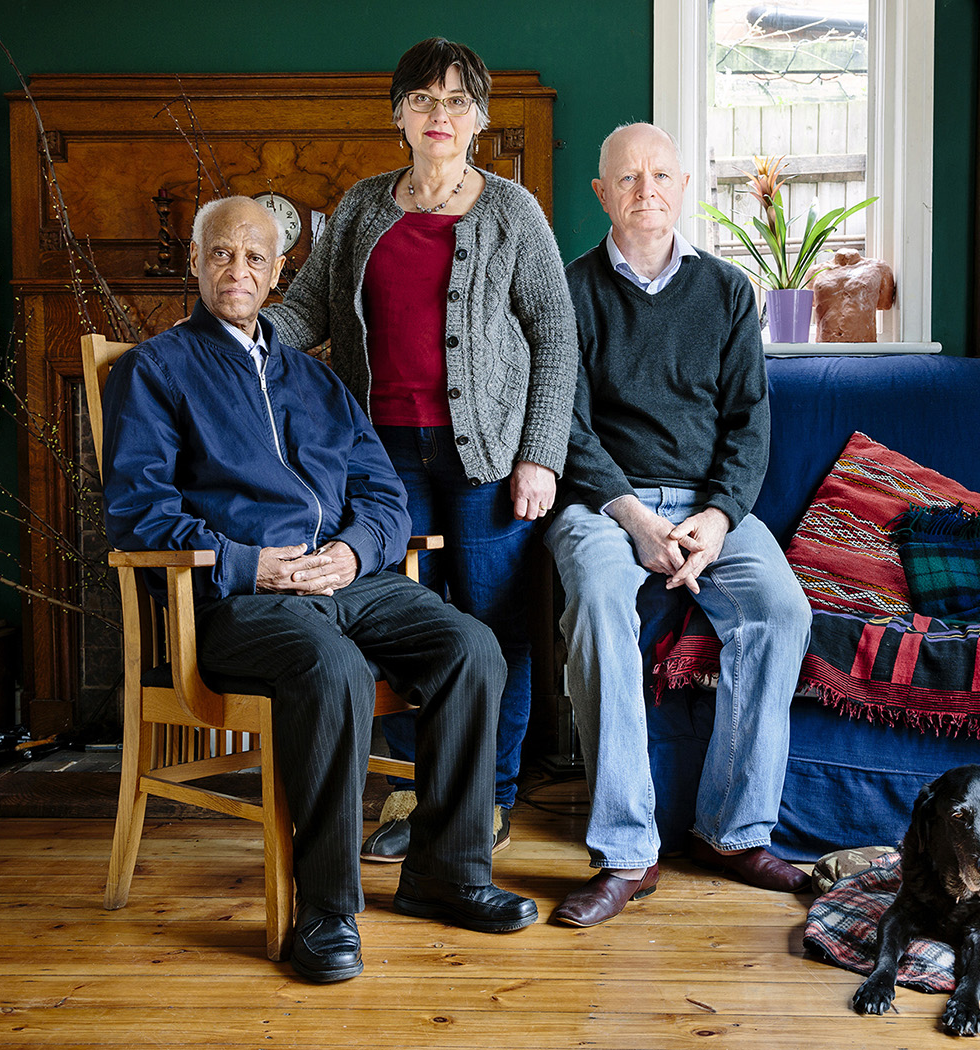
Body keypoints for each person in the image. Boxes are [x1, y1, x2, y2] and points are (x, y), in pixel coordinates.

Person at [101, 195, 537, 985]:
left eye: (256, 259)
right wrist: (249, 563)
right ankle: (326, 910)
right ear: (195, 263)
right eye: (222, 254)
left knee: (470, 645)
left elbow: (381, 494)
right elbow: (139, 514)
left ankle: (447, 871)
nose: (238, 270)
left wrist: (349, 550)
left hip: (346, 582)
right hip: (236, 603)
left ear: (278, 275)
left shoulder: (317, 378)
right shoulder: (154, 371)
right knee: (330, 666)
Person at [266, 37, 577, 863]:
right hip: (382, 459)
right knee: (401, 626)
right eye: (423, 99)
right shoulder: (362, 208)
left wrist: (541, 453)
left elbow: (555, 334)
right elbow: (304, 316)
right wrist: (238, 339)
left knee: (494, 626)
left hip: (491, 460)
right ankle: (414, 792)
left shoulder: (514, 212)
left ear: (479, 119)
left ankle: (489, 799)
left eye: (457, 101)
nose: (440, 115)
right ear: (398, 111)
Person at [544, 123, 814, 928]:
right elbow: (565, 423)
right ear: (602, 194)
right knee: (596, 603)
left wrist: (718, 518)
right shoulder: (571, 289)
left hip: (708, 506)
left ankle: (732, 834)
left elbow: (749, 425)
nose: (646, 190)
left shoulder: (730, 292)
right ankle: (628, 852)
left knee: (781, 610)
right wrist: (630, 517)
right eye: (628, 178)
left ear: (684, 185)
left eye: (661, 174)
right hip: (603, 504)